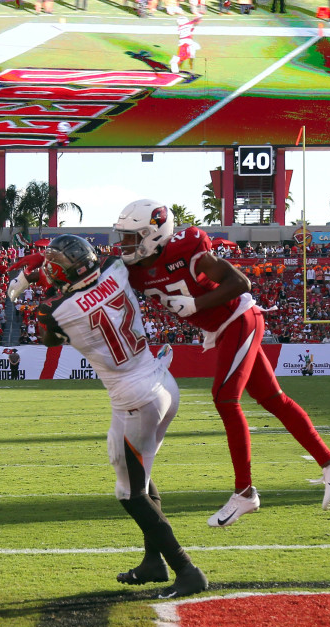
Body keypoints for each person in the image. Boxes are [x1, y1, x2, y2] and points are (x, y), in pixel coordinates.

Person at [114, 199, 330, 527]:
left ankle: (245, 493)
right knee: (273, 399)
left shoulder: (187, 248)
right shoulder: (132, 270)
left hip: (240, 318)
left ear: (153, 233)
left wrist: (196, 303)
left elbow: (241, 283)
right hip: (223, 329)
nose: (124, 244)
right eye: (123, 237)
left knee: (225, 398)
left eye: (131, 236)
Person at [35, 234, 207, 598]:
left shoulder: (55, 311)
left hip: (134, 397)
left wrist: (36, 281)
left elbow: (49, 339)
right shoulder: (114, 268)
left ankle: (186, 569)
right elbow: (117, 261)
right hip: (160, 379)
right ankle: (153, 562)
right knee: (140, 479)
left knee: (130, 494)